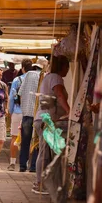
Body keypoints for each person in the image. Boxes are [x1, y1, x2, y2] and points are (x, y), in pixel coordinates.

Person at [32, 55, 71, 195]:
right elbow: (59, 95)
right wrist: (69, 111)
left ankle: (45, 182)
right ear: (63, 66)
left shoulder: (49, 77)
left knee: (48, 152)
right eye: (67, 67)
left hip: (44, 119)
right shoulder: (55, 77)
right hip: (47, 119)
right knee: (46, 153)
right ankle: (40, 183)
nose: (68, 70)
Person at [17, 59, 45, 173]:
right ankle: (33, 166)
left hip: (27, 113)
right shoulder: (44, 77)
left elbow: (20, 93)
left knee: (25, 141)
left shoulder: (28, 75)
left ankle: (23, 165)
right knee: (36, 141)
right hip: (38, 113)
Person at [7, 67, 24, 171]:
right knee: (28, 140)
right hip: (30, 113)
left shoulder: (17, 80)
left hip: (17, 111)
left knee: (14, 137)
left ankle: (12, 163)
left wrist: (11, 111)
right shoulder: (38, 79)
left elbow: (12, 97)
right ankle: (25, 163)